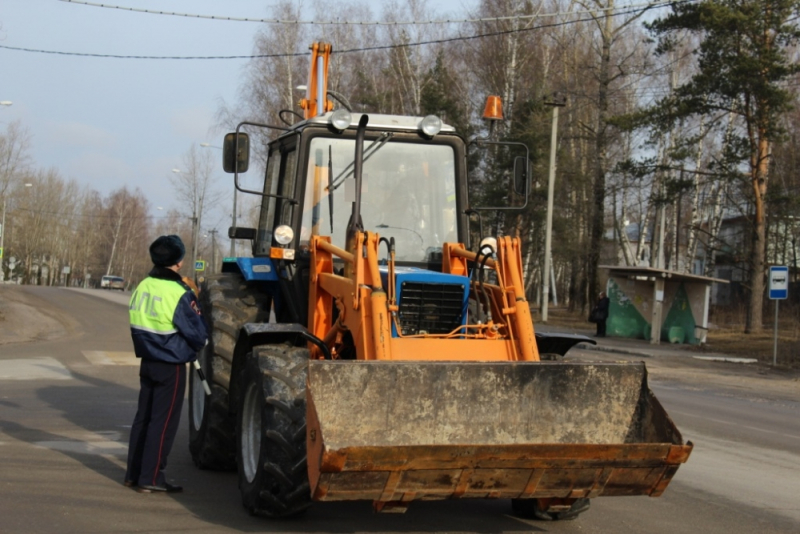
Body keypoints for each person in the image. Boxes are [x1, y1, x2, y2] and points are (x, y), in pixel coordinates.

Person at [125, 235, 208, 493]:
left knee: (144, 418)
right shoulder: (179, 293)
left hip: (147, 361)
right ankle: (151, 478)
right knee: (164, 423)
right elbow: (198, 335)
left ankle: (134, 474)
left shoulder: (143, 286)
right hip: (170, 365)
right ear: (179, 262)